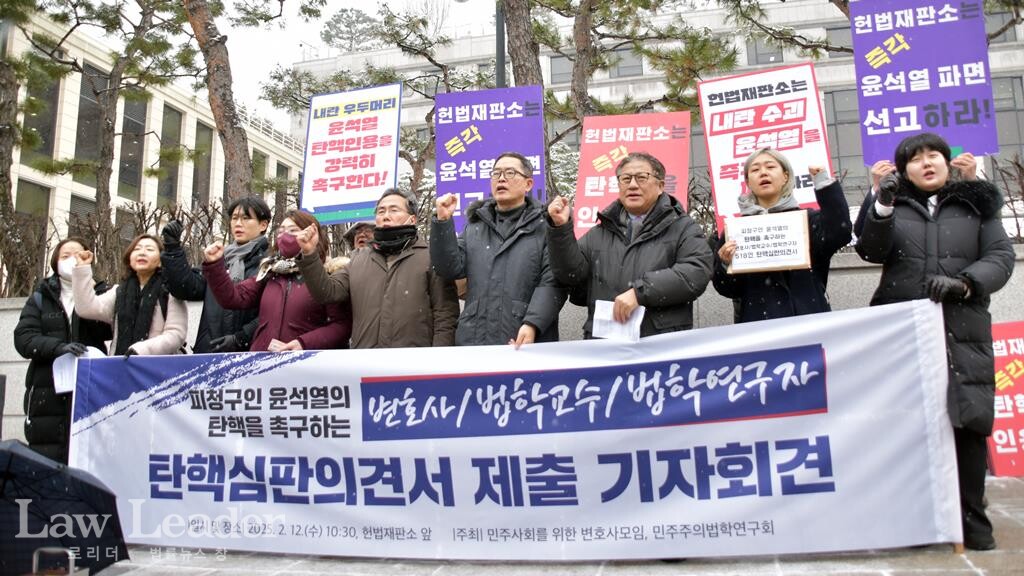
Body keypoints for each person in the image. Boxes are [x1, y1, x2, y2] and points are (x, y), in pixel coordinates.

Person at [856, 132, 1014, 551]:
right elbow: (870, 250)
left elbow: (1000, 257)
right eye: (915, 158)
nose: (926, 163)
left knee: (967, 421)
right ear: (903, 169)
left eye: (934, 155)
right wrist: (881, 202)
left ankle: (972, 521)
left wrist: (966, 284)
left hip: (963, 330)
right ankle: (918, 519)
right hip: (903, 334)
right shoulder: (892, 205)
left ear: (948, 162)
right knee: (909, 423)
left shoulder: (975, 205)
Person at [546, 151, 713, 338]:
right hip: (604, 342)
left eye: (641, 177)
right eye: (626, 179)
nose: (633, 185)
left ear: (660, 186)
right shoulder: (599, 232)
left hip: (661, 342)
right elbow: (571, 275)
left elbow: (696, 271)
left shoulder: (682, 227)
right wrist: (560, 229)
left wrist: (640, 292)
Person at [431, 152, 566, 347]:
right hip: (475, 341)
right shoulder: (474, 226)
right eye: (496, 173)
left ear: (528, 184)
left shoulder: (545, 226)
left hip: (524, 340)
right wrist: (443, 222)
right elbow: (448, 268)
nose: (501, 179)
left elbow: (552, 281)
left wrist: (533, 323)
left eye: (510, 173)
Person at [296, 189, 459, 348]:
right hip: (366, 360)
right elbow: (327, 292)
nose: (385, 216)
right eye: (381, 211)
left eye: (394, 210)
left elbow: (445, 316)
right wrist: (309, 253)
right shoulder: (358, 258)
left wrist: (437, 358)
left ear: (412, 219)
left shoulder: (430, 257)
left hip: (414, 361)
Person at [713, 148, 852, 322]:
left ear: (785, 176)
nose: (763, 173)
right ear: (748, 182)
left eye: (770, 167)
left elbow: (840, 232)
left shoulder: (807, 220)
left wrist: (823, 182)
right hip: (759, 325)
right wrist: (724, 264)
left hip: (810, 320)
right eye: (755, 170)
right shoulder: (736, 230)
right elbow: (727, 289)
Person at [14, 238, 113, 463]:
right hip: (47, 390)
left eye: (78, 254)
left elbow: (111, 330)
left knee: (87, 457)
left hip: (89, 386)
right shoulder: (40, 297)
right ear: (55, 261)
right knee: (46, 459)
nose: (71, 260)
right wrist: (58, 348)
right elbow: (24, 338)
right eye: (65, 255)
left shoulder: (101, 293)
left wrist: (86, 284)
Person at [202, 210, 351, 352]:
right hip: (263, 361)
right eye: (281, 231)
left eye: (293, 230)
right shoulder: (270, 272)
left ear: (313, 235)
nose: (285, 236)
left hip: (305, 363)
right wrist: (215, 265)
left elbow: (341, 326)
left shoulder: (328, 275)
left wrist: (303, 343)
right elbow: (234, 297)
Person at [160, 196, 271, 353]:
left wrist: (241, 338)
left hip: (248, 355)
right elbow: (186, 288)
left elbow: (272, 314)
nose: (238, 223)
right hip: (209, 350)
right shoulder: (219, 260)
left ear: (263, 225)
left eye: (246, 218)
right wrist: (173, 250)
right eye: (234, 218)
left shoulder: (268, 264)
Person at [71, 234, 188, 356]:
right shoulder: (119, 291)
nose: (142, 253)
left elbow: (176, 334)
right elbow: (86, 308)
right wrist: (82, 268)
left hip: (158, 365)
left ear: (160, 261)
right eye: (137, 249)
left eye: (149, 249)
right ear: (129, 259)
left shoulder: (171, 291)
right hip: (121, 363)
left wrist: (142, 349)